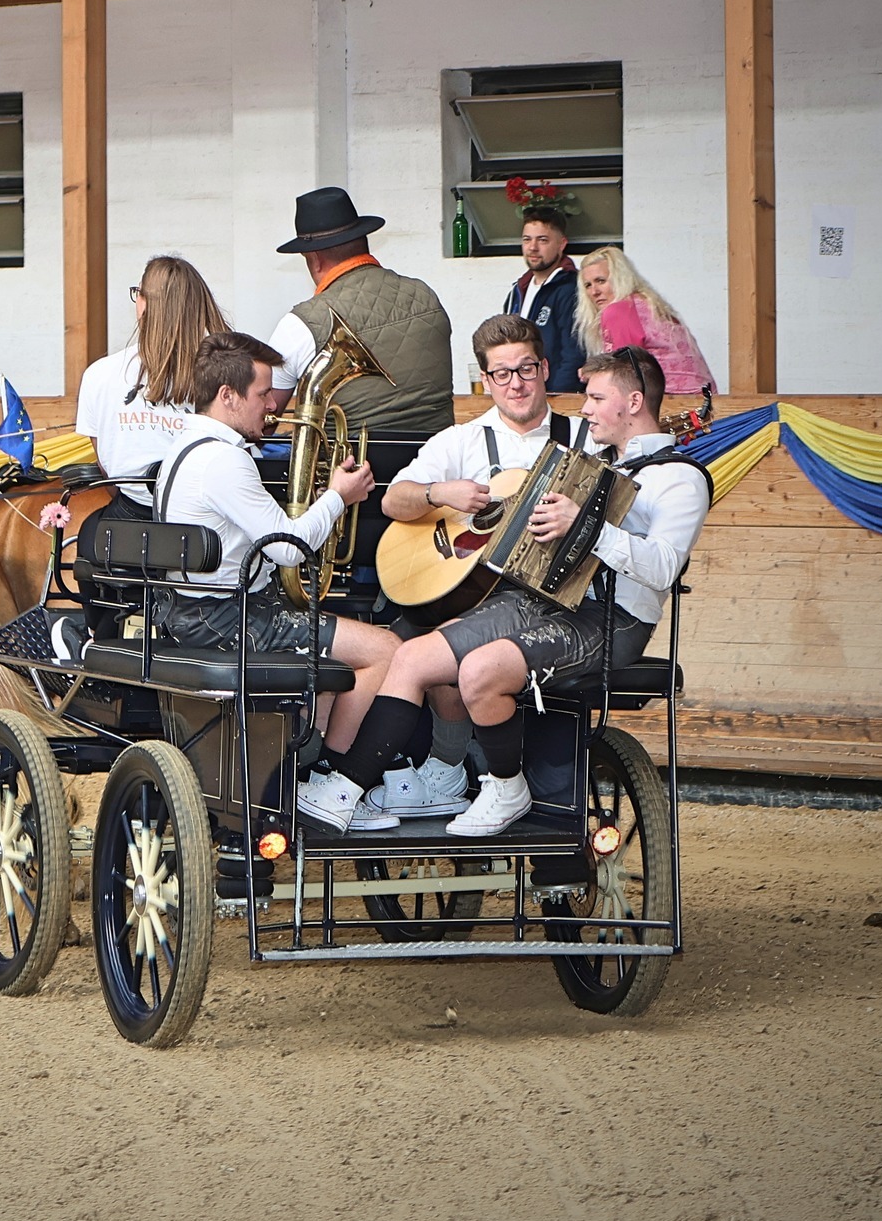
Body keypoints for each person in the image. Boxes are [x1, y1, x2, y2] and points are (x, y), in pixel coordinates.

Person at [311, 345, 710, 838]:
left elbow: (665, 567)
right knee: (413, 656)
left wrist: (586, 529)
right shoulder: (595, 461)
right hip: (542, 599)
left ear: (632, 403)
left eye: (596, 397)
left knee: (479, 670)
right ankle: (344, 789)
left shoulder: (680, 478)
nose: (584, 409)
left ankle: (507, 785)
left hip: (609, 620)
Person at [154, 332, 401, 812]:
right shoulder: (222, 461)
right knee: (386, 651)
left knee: (346, 652)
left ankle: (309, 769)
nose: (272, 405)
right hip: (228, 617)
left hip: (207, 610)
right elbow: (288, 549)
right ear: (227, 397)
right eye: (263, 394)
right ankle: (333, 781)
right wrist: (338, 496)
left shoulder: (187, 449)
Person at [366, 313, 590, 820]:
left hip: (555, 606)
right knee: (421, 633)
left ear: (546, 368)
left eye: (526, 369)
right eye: (502, 373)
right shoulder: (461, 441)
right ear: (485, 381)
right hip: (473, 592)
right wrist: (439, 493)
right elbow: (393, 501)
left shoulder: (585, 438)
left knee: (448, 642)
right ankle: (448, 764)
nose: (517, 384)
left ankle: (475, 775)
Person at [265, 187, 456, 610]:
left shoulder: (303, 322)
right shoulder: (427, 297)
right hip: (430, 488)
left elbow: (266, 412)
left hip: (353, 501)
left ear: (312, 260)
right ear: (364, 241)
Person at [75, 255, 230, 516]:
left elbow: (106, 466)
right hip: (205, 517)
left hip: (127, 516)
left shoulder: (97, 374)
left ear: (144, 304)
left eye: (138, 293)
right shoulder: (226, 373)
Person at [574, 245, 714, 396]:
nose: (594, 291)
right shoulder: (645, 304)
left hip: (674, 402)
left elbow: (624, 374)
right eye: (588, 285)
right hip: (700, 400)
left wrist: (595, 373)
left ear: (620, 278)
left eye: (601, 281)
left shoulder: (618, 310)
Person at [502, 205, 586, 394]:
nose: (532, 247)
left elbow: (575, 354)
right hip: (519, 394)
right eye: (527, 239)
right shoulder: (518, 290)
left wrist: (554, 398)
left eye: (542, 240)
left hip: (554, 400)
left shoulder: (572, 288)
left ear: (562, 244)